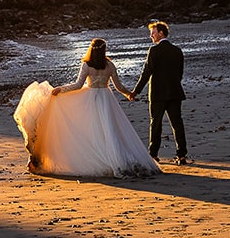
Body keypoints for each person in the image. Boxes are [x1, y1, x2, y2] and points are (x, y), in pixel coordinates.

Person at [12, 38, 159, 177]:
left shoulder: (87, 65)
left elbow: (78, 85)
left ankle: (101, 157)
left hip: (90, 99)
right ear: (104, 50)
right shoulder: (109, 65)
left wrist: (61, 89)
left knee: (93, 130)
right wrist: (129, 94)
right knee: (110, 129)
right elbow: (118, 86)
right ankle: (116, 158)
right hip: (106, 99)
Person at [130, 20, 188, 164]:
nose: (151, 36)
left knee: (156, 124)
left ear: (161, 33)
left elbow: (146, 73)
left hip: (157, 94)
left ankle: (153, 154)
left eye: (153, 33)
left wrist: (135, 91)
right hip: (175, 92)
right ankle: (182, 155)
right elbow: (180, 73)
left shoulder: (154, 51)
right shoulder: (177, 50)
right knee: (177, 124)